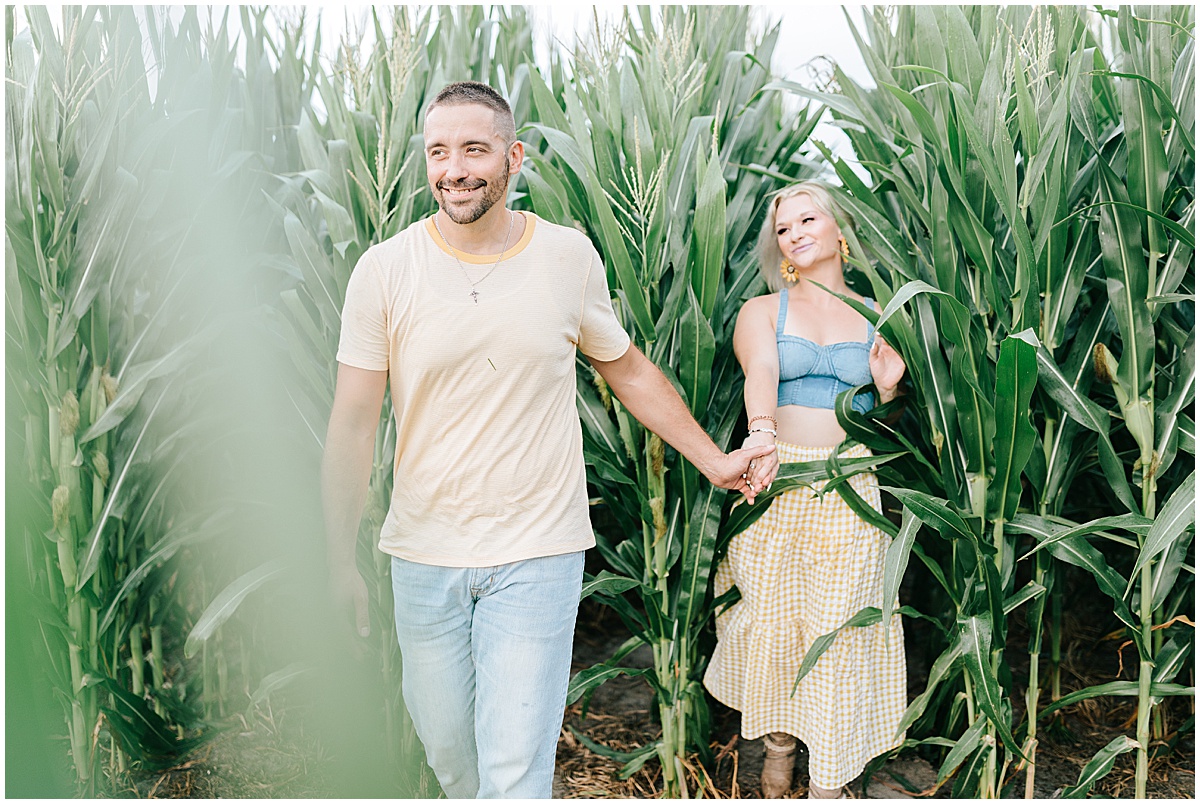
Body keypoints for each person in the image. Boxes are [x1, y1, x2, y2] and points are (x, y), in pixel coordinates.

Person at [321, 81, 775, 799]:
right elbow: (351, 423)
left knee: (514, 770)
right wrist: (337, 556)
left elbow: (628, 371)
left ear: (514, 157)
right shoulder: (385, 270)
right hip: (423, 554)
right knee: (450, 754)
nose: (454, 168)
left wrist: (715, 459)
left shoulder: (565, 257)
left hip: (538, 552)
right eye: (438, 151)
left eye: (475, 148)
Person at [702, 180, 908, 799]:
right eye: (784, 229)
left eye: (806, 219)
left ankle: (828, 779)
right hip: (779, 475)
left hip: (849, 480)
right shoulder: (763, 311)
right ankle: (779, 750)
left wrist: (890, 389)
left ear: (840, 228)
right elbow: (761, 372)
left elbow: (883, 424)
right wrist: (761, 436)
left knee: (841, 627)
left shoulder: (880, 314)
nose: (794, 233)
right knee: (776, 616)